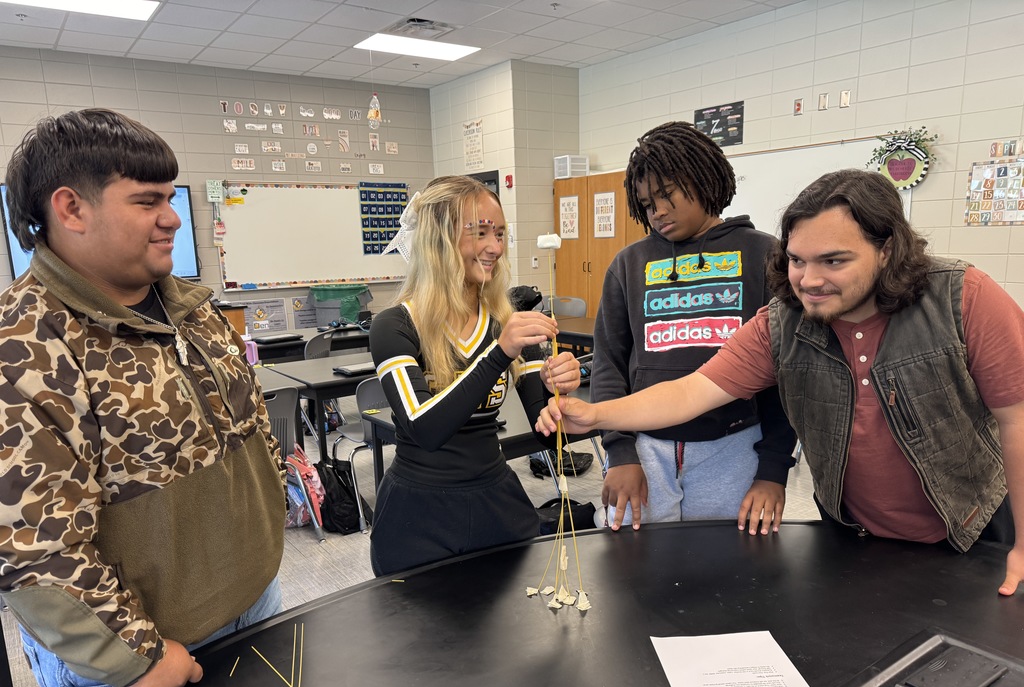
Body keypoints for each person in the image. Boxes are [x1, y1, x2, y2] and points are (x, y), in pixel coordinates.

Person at [537, 168, 1024, 596]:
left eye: (833, 261)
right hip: (850, 531)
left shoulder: (963, 297)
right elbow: (691, 392)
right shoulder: (783, 322)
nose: (809, 280)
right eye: (796, 260)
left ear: (887, 249)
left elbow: (1017, 421)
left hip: (971, 529)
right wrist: (596, 414)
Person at [0, 108, 286, 687]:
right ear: (71, 209)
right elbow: (32, 547)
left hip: (257, 601)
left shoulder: (190, 307)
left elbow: (249, 427)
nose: (172, 218)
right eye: (147, 201)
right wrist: (134, 658)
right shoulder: (22, 345)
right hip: (145, 660)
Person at [368, 175, 580, 576]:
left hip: (497, 504)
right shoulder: (396, 325)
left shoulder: (508, 318)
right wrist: (499, 354)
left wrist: (560, 396)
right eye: (481, 232)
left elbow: (547, 434)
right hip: (418, 518)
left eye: (500, 234)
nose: (495, 247)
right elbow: (424, 429)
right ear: (439, 239)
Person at [592, 121, 795, 532]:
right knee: (637, 564)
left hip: (736, 447)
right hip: (645, 446)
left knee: (728, 564)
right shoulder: (628, 265)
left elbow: (786, 372)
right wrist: (620, 452)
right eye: (648, 204)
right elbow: (608, 363)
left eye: (668, 195)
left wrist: (773, 469)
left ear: (704, 180)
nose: (658, 211)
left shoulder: (764, 254)